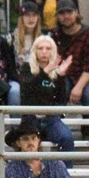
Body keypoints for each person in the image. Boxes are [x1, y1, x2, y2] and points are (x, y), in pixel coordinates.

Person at [19, 34, 74, 163]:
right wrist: (44, 73)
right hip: (31, 118)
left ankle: (65, 177)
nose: (44, 52)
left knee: (66, 137)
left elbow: (61, 100)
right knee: (27, 142)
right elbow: (27, 93)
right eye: (40, 48)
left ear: (53, 51)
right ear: (35, 51)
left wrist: (60, 76)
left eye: (48, 49)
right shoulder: (26, 68)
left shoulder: (57, 72)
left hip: (51, 119)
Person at [51, 0, 89, 138]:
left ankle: (88, 133)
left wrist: (78, 87)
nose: (66, 16)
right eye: (61, 13)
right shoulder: (54, 36)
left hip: (86, 76)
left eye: (69, 12)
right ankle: (56, 129)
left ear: (77, 13)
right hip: (63, 75)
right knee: (57, 89)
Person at [4, 119, 71, 178]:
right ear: (18, 143)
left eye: (33, 138)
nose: (30, 142)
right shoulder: (12, 167)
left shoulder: (55, 163)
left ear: (39, 141)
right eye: (25, 139)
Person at [11, 1, 42, 71]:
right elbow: (10, 65)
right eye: (27, 15)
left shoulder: (43, 39)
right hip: (17, 76)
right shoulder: (12, 38)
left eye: (34, 15)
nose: (31, 19)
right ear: (21, 18)